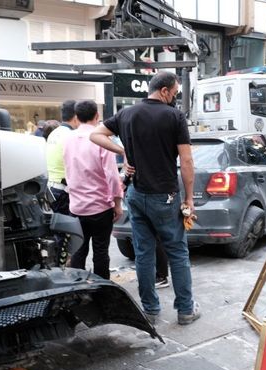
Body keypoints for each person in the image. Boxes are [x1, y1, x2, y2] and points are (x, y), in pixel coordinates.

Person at [90, 71, 199, 325]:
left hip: (137, 195)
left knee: (144, 254)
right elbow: (186, 160)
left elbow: (95, 135)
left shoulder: (127, 113)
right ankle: (185, 310)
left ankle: (150, 310)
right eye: (173, 93)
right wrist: (190, 198)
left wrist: (123, 149)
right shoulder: (174, 116)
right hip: (165, 195)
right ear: (164, 91)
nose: (174, 98)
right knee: (178, 253)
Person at [62, 100, 123, 279]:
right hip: (100, 206)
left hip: (77, 206)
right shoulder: (101, 140)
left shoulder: (68, 139)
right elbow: (112, 175)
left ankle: (77, 289)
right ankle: (101, 291)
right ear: (97, 116)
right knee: (101, 251)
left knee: (79, 251)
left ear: (77, 117)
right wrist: (117, 203)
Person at [46, 100, 79, 215]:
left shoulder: (54, 133)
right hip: (65, 192)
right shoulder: (72, 136)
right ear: (76, 117)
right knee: (70, 230)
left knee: (60, 228)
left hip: (52, 189)